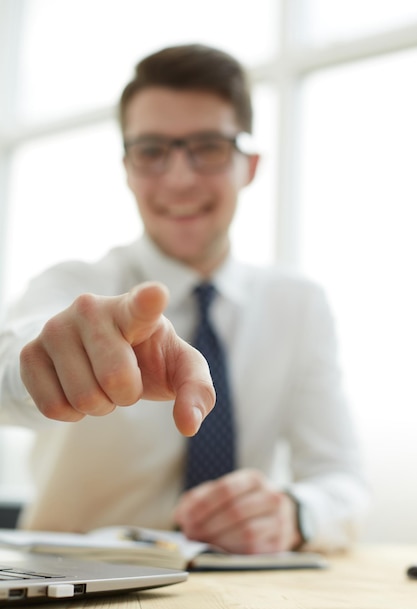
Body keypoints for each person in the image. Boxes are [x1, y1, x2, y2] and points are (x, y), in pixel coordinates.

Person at [0, 43, 368, 554]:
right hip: (74, 596)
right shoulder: (70, 289)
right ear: (127, 168)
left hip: (237, 596)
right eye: (151, 151)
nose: (178, 177)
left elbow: (341, 479)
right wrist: (42, 364)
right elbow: (9, 369)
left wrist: (295, 512)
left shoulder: (298, 306)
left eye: (208, 147)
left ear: (250, 166)